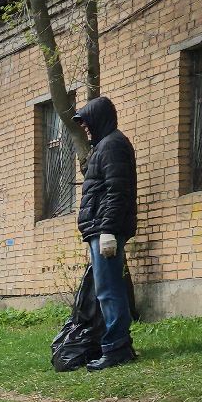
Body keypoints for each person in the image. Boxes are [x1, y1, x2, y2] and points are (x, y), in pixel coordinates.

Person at [73, 95, 138, 370]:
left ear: (99, 119)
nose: (85, 128)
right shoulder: (105, 145)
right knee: (107, 289)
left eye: (87, 122)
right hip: (100, 229)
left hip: (105, 230)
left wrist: (108, 229)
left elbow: (117, 191)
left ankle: (116, 348)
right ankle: (115, 345)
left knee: (109, 291)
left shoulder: (112, 145)